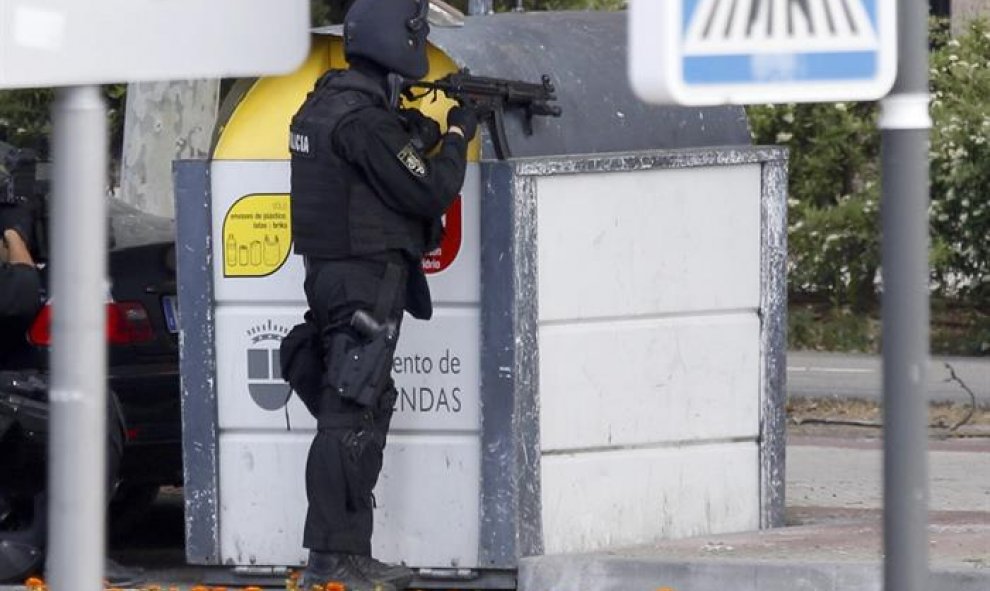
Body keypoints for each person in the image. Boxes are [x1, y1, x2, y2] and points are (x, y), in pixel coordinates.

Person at [283, 0, 477, 589]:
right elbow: (427, 191)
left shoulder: (325, 105)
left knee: (360, 405)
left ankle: (346, 554)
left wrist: (415, 131)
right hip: (365, 277)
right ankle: (332, 560)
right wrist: (457, 133)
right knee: (351, 412)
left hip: (335, 275)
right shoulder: (364, 122)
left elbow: (375, 171)